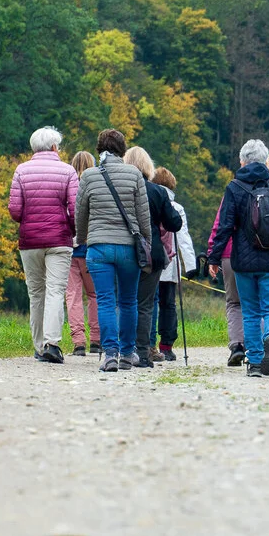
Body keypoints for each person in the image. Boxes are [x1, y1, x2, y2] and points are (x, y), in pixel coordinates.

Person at [208, 139, 269, 378]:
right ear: (266, 161)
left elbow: (224, 227)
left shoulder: (234, 188)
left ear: (242, 161)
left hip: (242, 262)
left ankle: (254, 363)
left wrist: (213, 257)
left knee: (250, 311)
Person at [76, 129, 153, 372]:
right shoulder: (134, 175)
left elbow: (81, 213)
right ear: (122, 149)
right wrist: (146, 243)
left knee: (106, 301)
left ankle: (110, 354)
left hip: (99, 248)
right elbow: (143, 216)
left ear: (99, 149)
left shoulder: (88, 176)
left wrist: (83, 238)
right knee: (128, 301)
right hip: (129, 248)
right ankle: (128, 353)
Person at [8, 126, 78, 364]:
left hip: (30, 241)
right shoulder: (67, 171)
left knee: (36, 293)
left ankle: (39, 346)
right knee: (56, 291)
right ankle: (52, 343)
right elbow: (75, 209)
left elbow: (15, 210)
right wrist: (72, 229)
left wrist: (30, 219)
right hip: (59, 240)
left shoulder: (21, 171)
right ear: (54, 147)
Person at [124, 147, 182, 368]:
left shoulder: (120, 189)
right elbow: (173, 223)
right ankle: (142, 351)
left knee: (124, 301)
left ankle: (122, 349)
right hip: (151, 253)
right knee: (145, 304)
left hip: (124, 250)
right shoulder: (157, 192)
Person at [151, 167, 197, 361]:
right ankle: (167, 346)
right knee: (168, 304)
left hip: (150, 263)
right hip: (170, 265)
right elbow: (183, 238)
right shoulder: (177, 208)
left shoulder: (149, 200)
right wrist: (191, 265)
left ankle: (148, 342)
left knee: (149, 303)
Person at [67, 151, 102, 356]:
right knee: (94, 295)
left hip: (70, 250)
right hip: (90, 248)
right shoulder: (95, 185)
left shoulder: (68, 186)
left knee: (73, 296)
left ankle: (78, 341)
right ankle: (96, 339)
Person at [208, 201, 244, 366]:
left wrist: (213, 254)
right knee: (258, 304)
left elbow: (219, 225)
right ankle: (260, 348)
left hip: (229, 254)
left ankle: (237, 345)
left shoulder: (232, 192)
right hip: (259, 254)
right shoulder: (268, 188)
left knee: (234, 303)